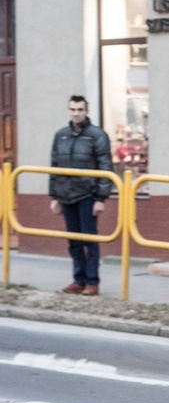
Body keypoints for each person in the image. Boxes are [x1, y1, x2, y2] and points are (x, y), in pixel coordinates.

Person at [49, 95, 114, 297]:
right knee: (73, 240)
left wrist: (101, 199)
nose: (76, 113)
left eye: (80, 110)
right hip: (66, 196)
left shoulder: (97, 135)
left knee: (89, 240)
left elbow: (106, 167)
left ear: (86, 111)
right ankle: (79, 279)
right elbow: (54, 167)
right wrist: (54, 197)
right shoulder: (61, 135)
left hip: (87, 196)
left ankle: (92, 282)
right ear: (68, 111)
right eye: (73, 109)